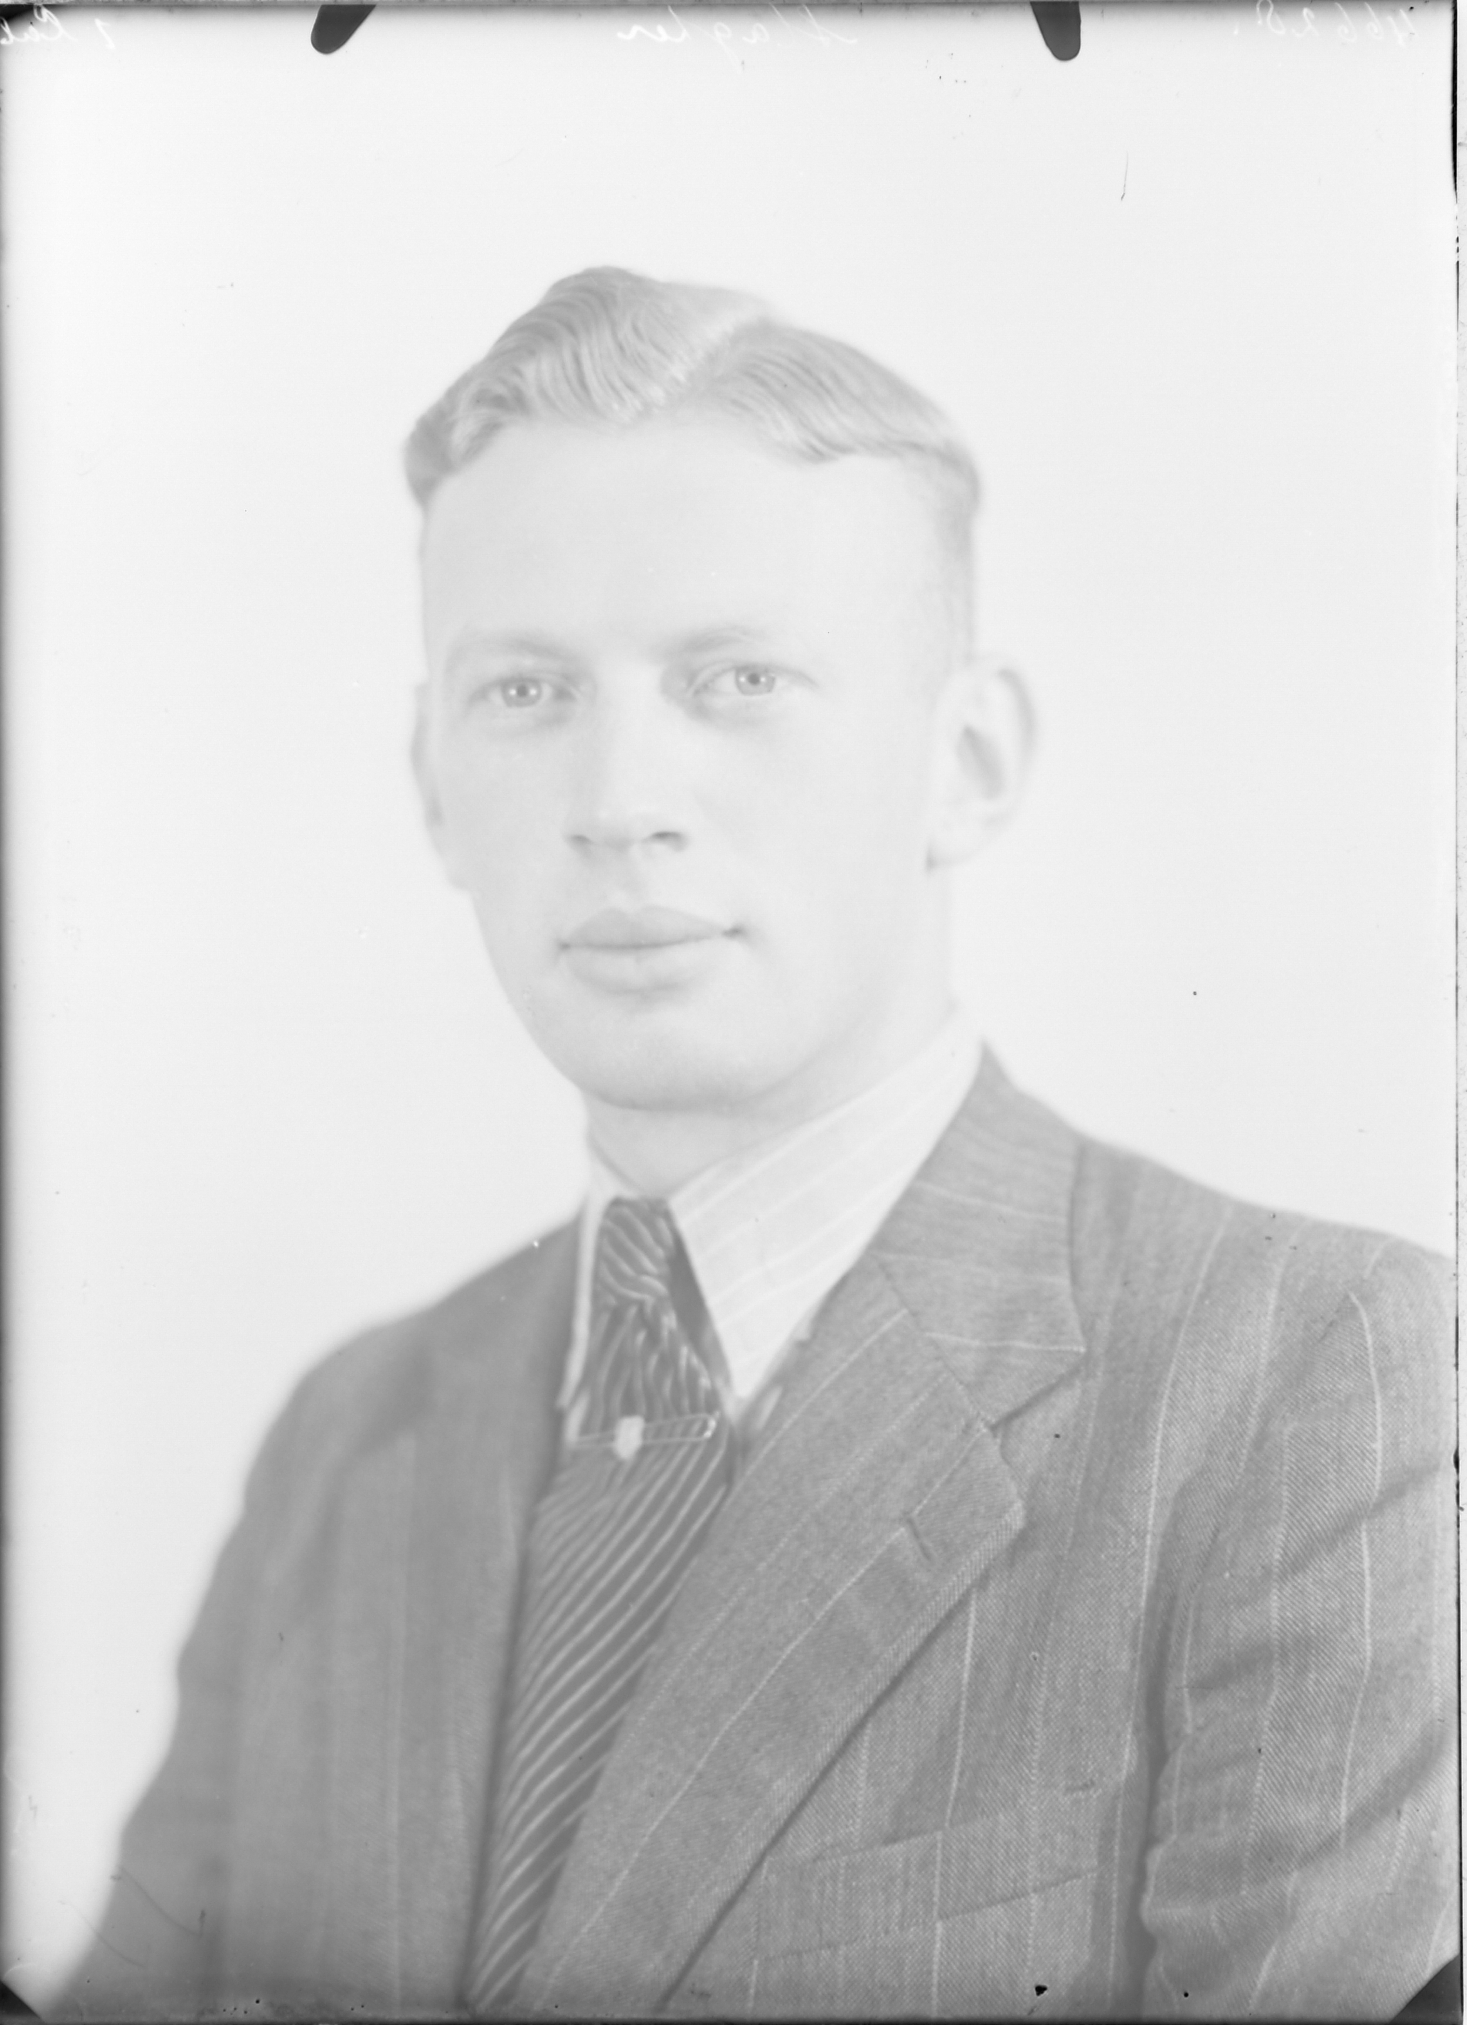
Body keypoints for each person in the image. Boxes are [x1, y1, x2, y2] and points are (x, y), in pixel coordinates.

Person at [60, 269, 1456, 2022]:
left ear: (969, 760)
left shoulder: (1317, 1383)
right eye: (525, 691)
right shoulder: (345, 1441)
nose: (620, 799)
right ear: (430, 783)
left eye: (738, 677)